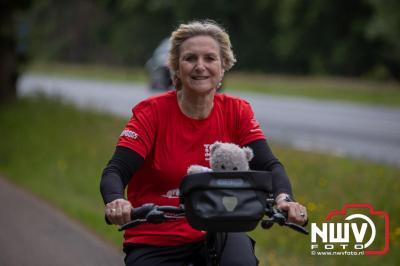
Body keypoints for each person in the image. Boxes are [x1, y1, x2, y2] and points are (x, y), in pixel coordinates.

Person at [100, 20, 308, 266]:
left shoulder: (237, 111)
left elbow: (269, 165)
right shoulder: (151, 113)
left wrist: (285, 199)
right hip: (156, 234)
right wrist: (116, 200)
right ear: (176, 67)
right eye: (190, 58)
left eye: (210, 58)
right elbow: (116, 170)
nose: (200, 66)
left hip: (220, 227)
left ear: (222, 67)